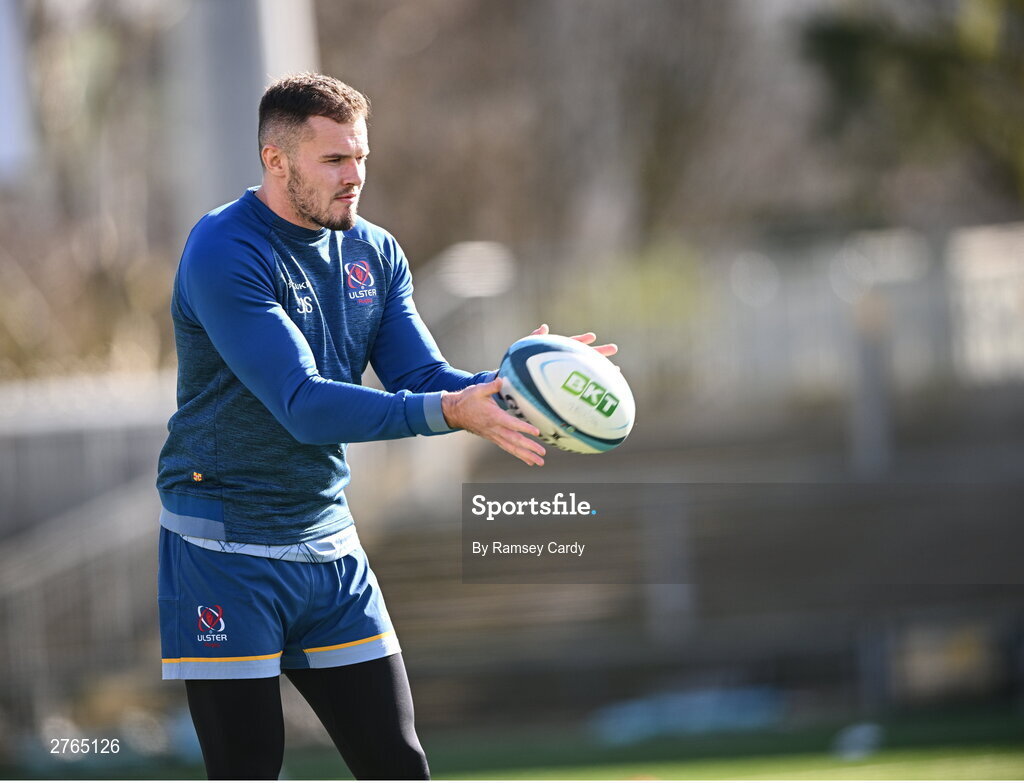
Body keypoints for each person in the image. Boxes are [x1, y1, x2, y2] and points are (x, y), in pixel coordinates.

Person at [156, 72, 616, 780]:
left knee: (397, 763)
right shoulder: (225, 250)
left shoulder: (374, 251)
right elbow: (304, 404)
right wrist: (449, 413)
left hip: (329, 546)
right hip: (226, 545)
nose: (355, 176)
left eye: (361, 157)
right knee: (248, 768)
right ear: (276, 162)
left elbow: (424, 379)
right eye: (334, 160)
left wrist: (520, 387)